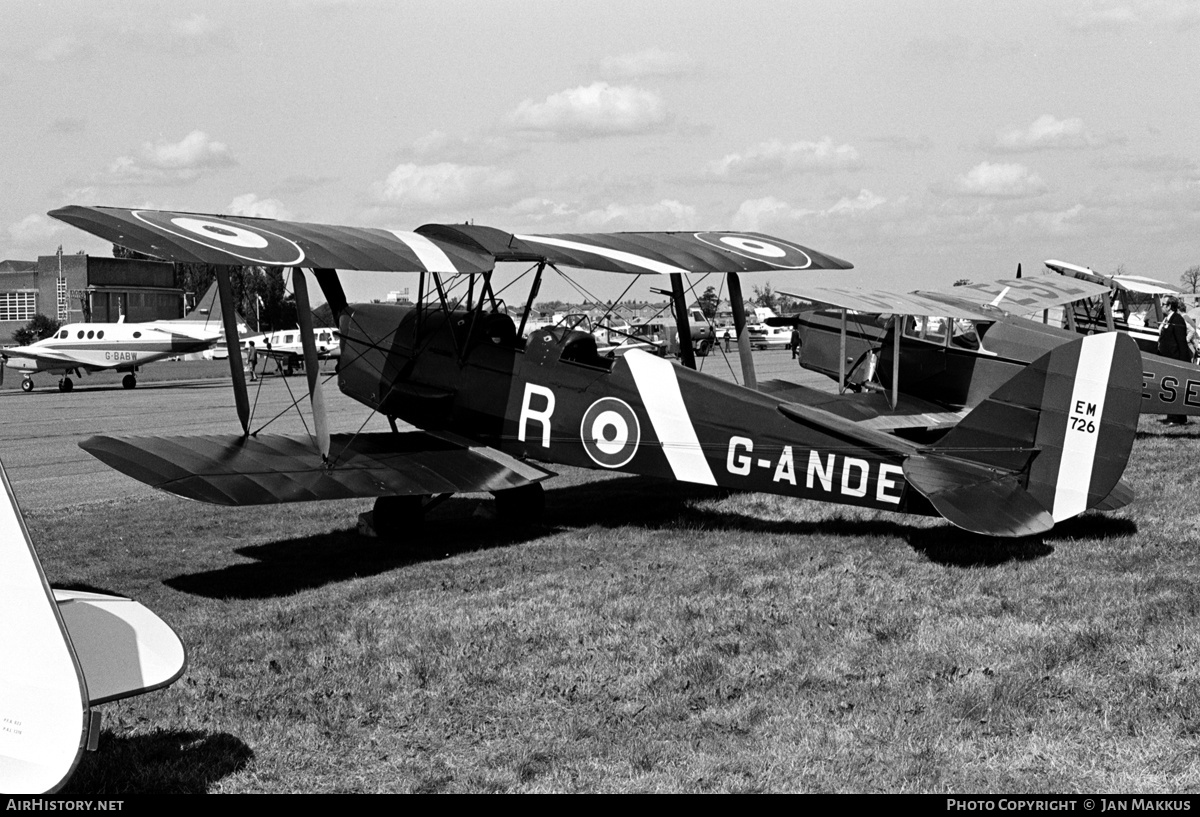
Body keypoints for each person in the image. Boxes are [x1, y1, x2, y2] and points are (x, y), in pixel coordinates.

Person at [1158, 296, 1190, 424]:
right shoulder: (1167, 319)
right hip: (1167, 360)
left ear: (1169, 306)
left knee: (1175, 389)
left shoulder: (1177, 319)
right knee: (1169, 389)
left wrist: (1183, 363)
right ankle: (1173, 416)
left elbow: (1181, 343)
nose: (1162, 307)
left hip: (1175, 360)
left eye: (1163, 304)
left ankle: (1177, 418)